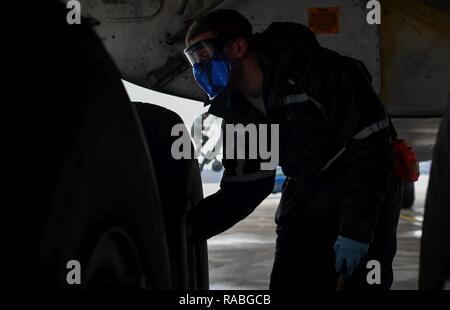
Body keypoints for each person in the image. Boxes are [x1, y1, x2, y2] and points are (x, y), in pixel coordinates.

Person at [184, 9, 401, 289]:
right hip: (307, 190)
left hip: (366, 186)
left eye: (204, 53)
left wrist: (356, 231)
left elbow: (372, 146)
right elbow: (246, 187)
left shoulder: (313, 73)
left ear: (238, 47)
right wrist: (187, 228)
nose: (199, 68)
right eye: (193, 59)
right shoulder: (239, 110)